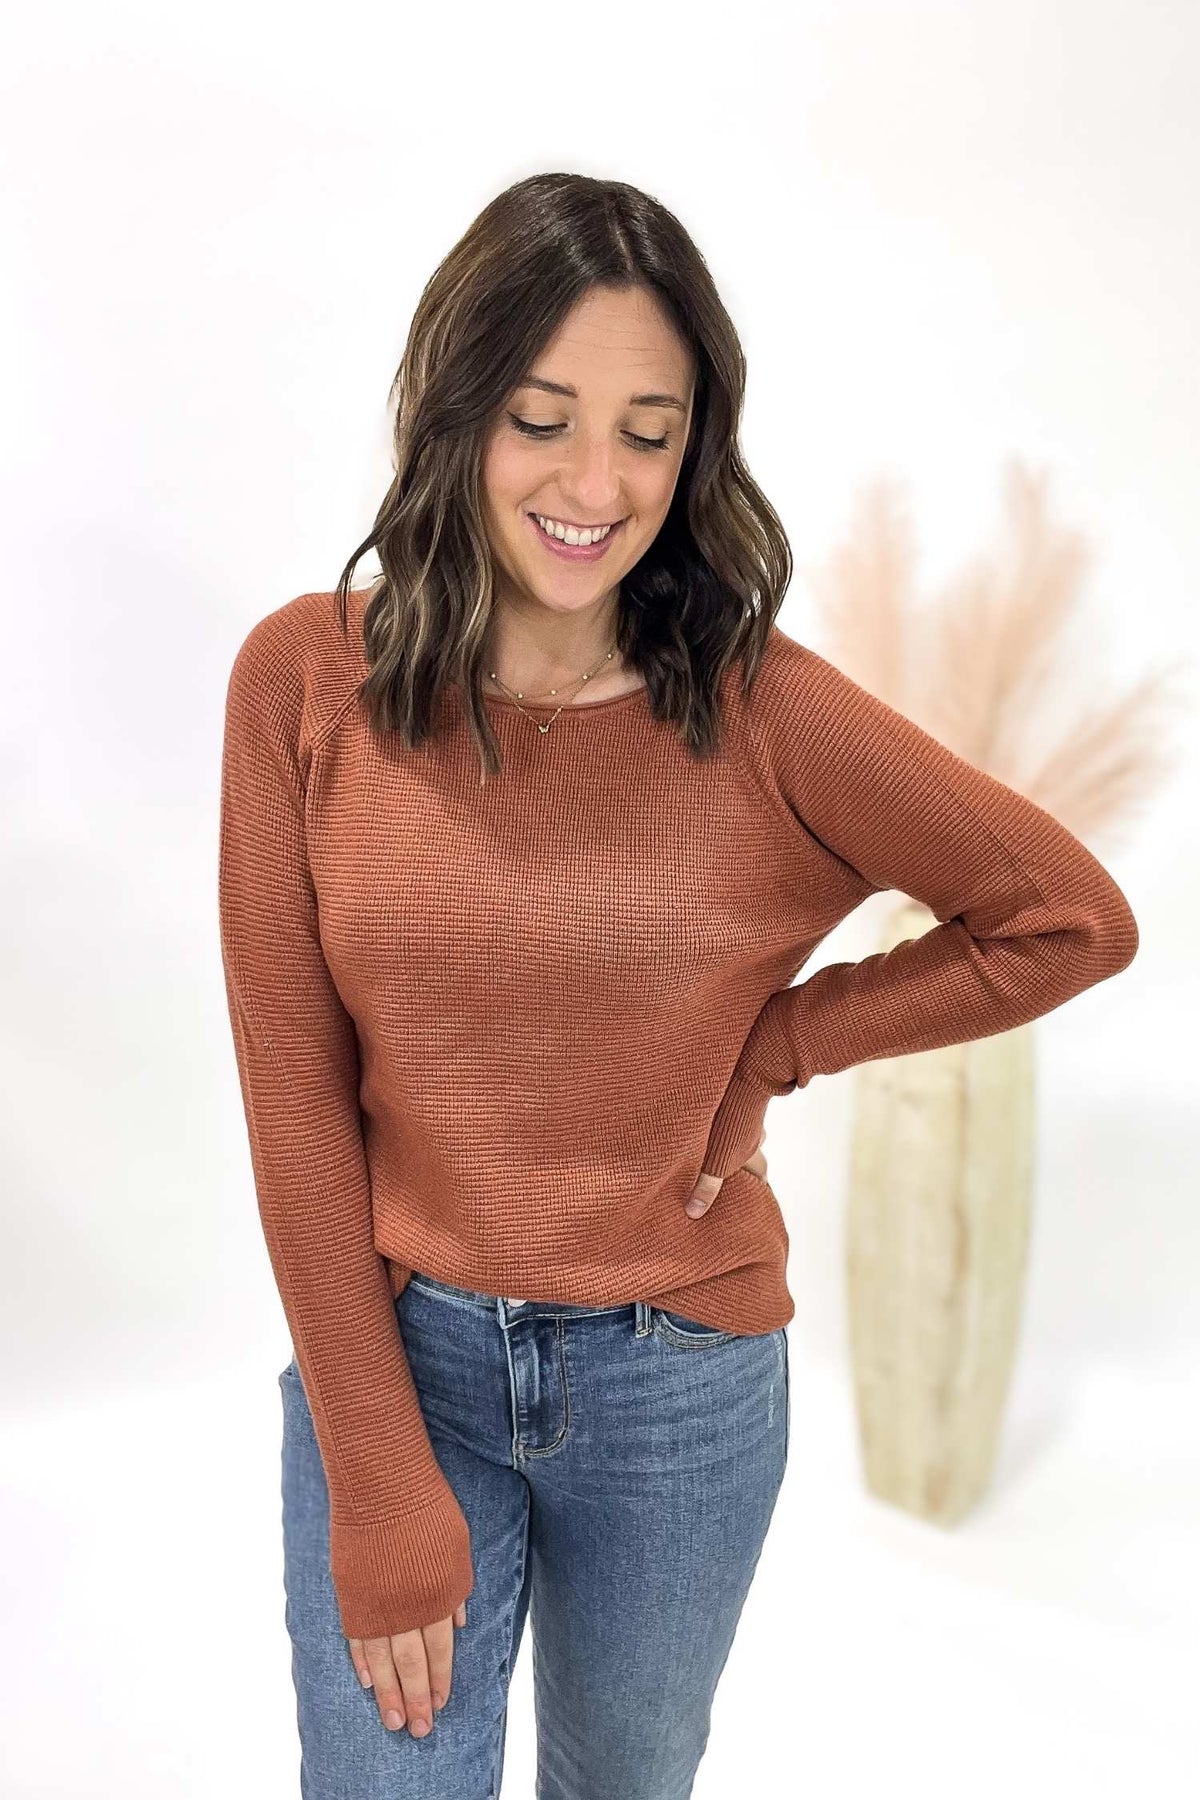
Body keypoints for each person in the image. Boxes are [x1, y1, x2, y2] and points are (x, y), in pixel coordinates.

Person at [217, 171, 1139, 1799]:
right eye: (543, 417)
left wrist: (780, 1044)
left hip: (680, 1384)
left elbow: (1068, 916)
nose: (595, 482)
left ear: (697, 445)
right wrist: (373, 1468)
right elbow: (293, 1098)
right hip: (396, 1353)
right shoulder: (306, 682)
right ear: (456, 415)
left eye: (650, 429)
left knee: (624, 1784)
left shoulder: (763, 710)